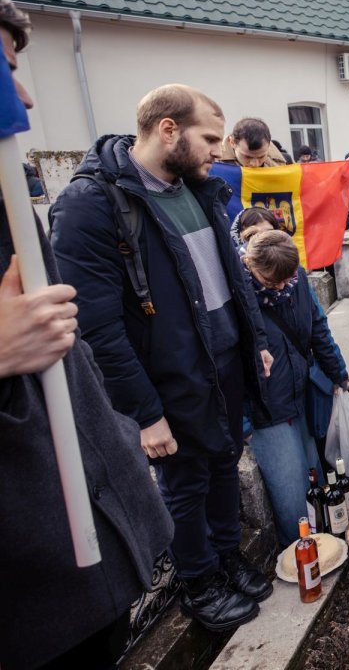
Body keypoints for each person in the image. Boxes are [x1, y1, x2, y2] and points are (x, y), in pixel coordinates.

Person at [50, 84, 276, 632]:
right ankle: (198, 582)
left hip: (223, 362)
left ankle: (226, 557)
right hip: (169, 375)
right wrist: (144, 412)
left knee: (223, 462)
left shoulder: (195, 187)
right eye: (210, 139)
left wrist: (256, 341)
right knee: (185, 483)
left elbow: (230, 276)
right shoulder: (92, 205)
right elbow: (97, 329)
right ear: (168, 129)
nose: (220, 151)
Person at [0, 0, 173, 670]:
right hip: (25, 587)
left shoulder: (10, 209)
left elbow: (75, 343)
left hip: (83, 547)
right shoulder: (86, 206)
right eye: (5, 71)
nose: (23, 100)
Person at [242, 230, 347, 544]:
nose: (280, 287)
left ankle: (327, 547)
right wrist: (242, 422)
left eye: (286, 280)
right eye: (270, 281)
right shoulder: (237, 293)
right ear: (249, 265)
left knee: (315, 476)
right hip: (267, 409)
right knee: (293, 498)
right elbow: (226, 364)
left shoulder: (297, 281)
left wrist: (338, 372)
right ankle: (301, 554)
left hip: (302, 394)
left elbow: (318, 329)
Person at [218, 117, 289, 167]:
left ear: (268, 145)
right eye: (247, 157)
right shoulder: (213, 162)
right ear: (232, 142)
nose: (255, 164)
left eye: (261, 157)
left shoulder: (283, 163)